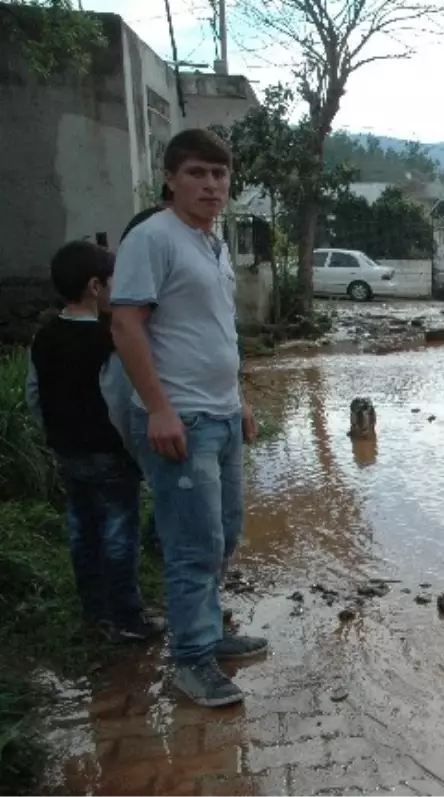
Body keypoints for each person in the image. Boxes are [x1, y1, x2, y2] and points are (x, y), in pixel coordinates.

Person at [110, 128, 264, 708]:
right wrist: (158, 409)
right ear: (171, 178)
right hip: (182, 419)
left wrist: (240, 398)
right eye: (197, 173)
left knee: (222, 534)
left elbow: (214, 332)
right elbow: (126, 326)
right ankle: (192, 661)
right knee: (192, 544)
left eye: (219, 174)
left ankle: (210, 635)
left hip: (221, 414)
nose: (211, 184)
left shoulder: (212, 245)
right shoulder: (153, 239)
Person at [25, 241, 165, 644]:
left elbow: (34, 395)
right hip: (109, 453)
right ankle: (127, 616)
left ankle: (94, 611)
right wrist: (136, 451)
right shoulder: (109, 339)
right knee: (119, 534)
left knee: (82, 530)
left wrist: (54, 437)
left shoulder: (45, 336)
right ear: (94, 286)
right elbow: (119, 401)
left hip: (66, 452)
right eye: (112, 282)